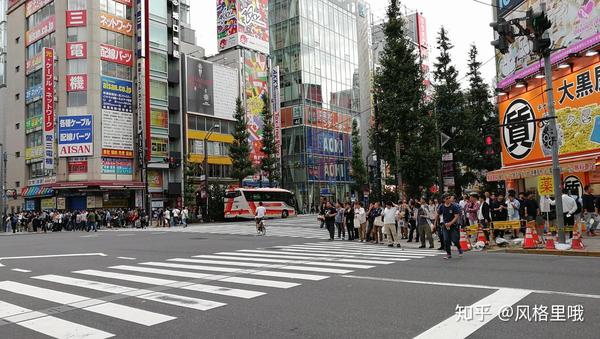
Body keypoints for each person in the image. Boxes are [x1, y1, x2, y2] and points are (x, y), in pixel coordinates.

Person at [435, 194, 463, 259]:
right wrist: (435, 224)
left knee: (455, 240)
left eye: (449, 198)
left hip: (453, 225)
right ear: (444, 200)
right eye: (447, 198)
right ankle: (448, 254)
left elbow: (456, 216)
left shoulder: (454, 206)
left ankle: (459, 248)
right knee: (446, 240)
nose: (449, 199)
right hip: (445, 225)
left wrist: (451, 223)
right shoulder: (442, 206)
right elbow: (437, 215)